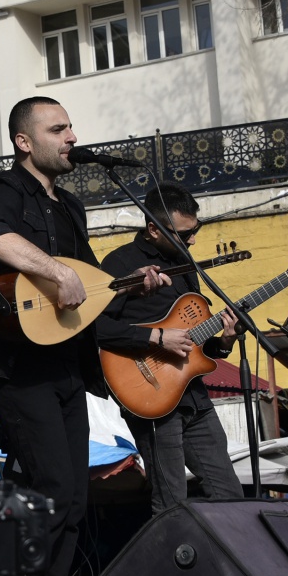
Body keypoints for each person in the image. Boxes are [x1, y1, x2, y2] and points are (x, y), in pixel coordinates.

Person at [0, 96, 164, 576]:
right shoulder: (5, 191)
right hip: (19, 368)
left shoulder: (71, 205)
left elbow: (91, 283)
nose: (71, 136)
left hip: (67, 365)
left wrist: (134, 288)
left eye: (71, 126)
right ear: (24, 142)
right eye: (58, 129)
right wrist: (53, 270)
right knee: (50, 489)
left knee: (74, 496)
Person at [98, 183, 244, 514]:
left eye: (195, 230)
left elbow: (197, 346)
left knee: (232, 498)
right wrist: (157, 339)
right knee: (171, 504)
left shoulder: (185, 264)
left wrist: (225, 339)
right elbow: (95, 327)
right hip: (152, 399)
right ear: (153, 228)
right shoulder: (121, 263)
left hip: (194, 397)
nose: (192, 240)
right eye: (184, 233)